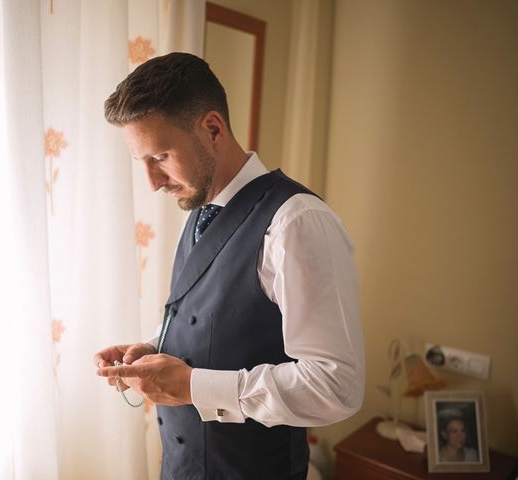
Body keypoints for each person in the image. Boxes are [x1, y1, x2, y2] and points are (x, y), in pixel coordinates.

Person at [94, 52, 364, 480]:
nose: (152, 181)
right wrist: (155, 350)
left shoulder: (297, 222)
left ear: (213, 129)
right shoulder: (201, 210)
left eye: (160, 156)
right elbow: (225, 323)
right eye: (142, 162)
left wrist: (192, 387)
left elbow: (336, 386)